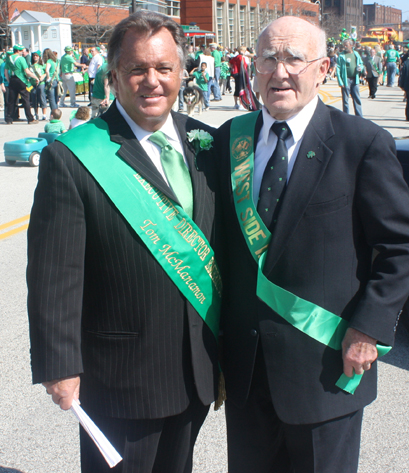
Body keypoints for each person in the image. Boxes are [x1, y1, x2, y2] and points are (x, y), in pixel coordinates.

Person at [214, 16, 409, 473]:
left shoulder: (361, 142)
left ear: (324, 68)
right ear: (254, 68)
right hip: (248, 372)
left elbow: (403, 246)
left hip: (326, 366)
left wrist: (368, 329)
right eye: (268, 58)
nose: (280, 71)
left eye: (294, 58)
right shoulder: (229, 142)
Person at [27, 10, 220, 473]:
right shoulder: (74, 157)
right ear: (113, 76)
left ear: (182, 73)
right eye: (137, 69)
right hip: (119, 378)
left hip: (196, 369)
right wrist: (59, 364)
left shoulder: (208, 145)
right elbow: (56, 273)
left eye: (163, 69)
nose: (151, 81)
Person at [4, 44, 39, 124]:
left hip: (12, 80)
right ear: (18, 51)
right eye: (21, 50)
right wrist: (35, 77)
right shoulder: (21, 59)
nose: (23, 52)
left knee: (12, 100)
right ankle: (30, 119)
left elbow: (6, 72)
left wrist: (9, 80)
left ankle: (9, 118)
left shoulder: (8, 58)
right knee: (25, 99)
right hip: (21, 80)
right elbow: (27, 72)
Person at [336, 38, 364, 116]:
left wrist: (360, 68)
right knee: (345, 100)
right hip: (346, 80)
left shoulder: (356, 54)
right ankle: (346, 116)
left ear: (351, 45)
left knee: (357, 99)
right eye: (344, 45)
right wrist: (340, 81)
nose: (345, 46)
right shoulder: (342, 55)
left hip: (355, 79)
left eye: (347, 45)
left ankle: (359, 116)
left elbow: (361, 64)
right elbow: (338, 69)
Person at [30, 51, 48, 121]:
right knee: (34, 99)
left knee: (42, 98)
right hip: (33, 83)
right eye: (34, 56)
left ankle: (44, 114)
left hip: (41, 83)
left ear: (39, 57)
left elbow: (46, 73)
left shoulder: (42, 65)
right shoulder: (31, 65)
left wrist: (42, 77)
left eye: (37, 56)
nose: (35, 57)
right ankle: (36, 113)